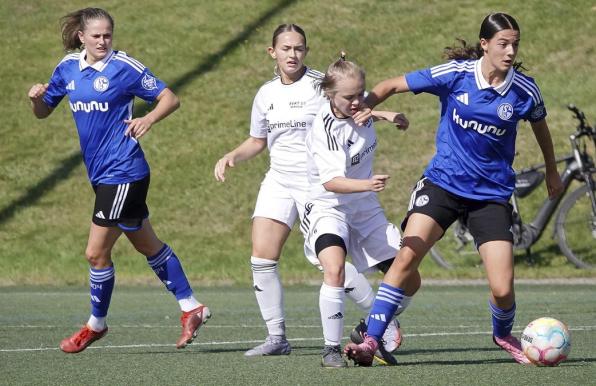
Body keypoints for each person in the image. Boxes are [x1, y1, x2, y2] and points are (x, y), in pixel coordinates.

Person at [344, 12, 564, 366]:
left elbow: (541, 127)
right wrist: (367, 106)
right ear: (485, 45)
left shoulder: (524, 90)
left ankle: (503, 334)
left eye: (515, 44)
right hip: (443, 184)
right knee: (406, 256)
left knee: (503, 288)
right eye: (503, 43)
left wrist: (552, 171)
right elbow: (389, 85)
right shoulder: (456, 75)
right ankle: (372, 340)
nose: (510, 51)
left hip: (490, 196)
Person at [213, 25, 405, 359]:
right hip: (279, 178)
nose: (292, 54)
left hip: (316, 182)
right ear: (272, 52)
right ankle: (277, 337)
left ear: (306, 51)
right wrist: (232, 155)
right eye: (286, 48)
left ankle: (381, 320)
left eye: (299, 48)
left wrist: (383, 114)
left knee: (329, 261)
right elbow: (258, 141)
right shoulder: (266, 95)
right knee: (261, 256)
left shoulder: (322, 86)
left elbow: (354, 109)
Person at [28, 7, 210, 353]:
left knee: (95, 252)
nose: (102, 41)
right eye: (96, 36)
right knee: (148, 246)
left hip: (124, 171)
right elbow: (44, 110)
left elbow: (170, 97)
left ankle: (96, 324)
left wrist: (150, 119)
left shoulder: (124, 67)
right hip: (103, 176)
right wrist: (35, 99)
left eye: (108, 35)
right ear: (82, 36)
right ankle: (191, 306)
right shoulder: (67, 68)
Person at [302, 54, 416, 367]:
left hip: (364, 207)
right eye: (349, 97)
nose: (357, 102)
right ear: (329, 94)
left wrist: (386, 114)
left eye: (360, 94)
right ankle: (330, 350)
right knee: (335, 269)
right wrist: (367, 184)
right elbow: (331, 182)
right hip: (328, 206)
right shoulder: (324, 129)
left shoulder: (360, 107)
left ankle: (369, 329)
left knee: (410, 277)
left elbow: (371, 103)